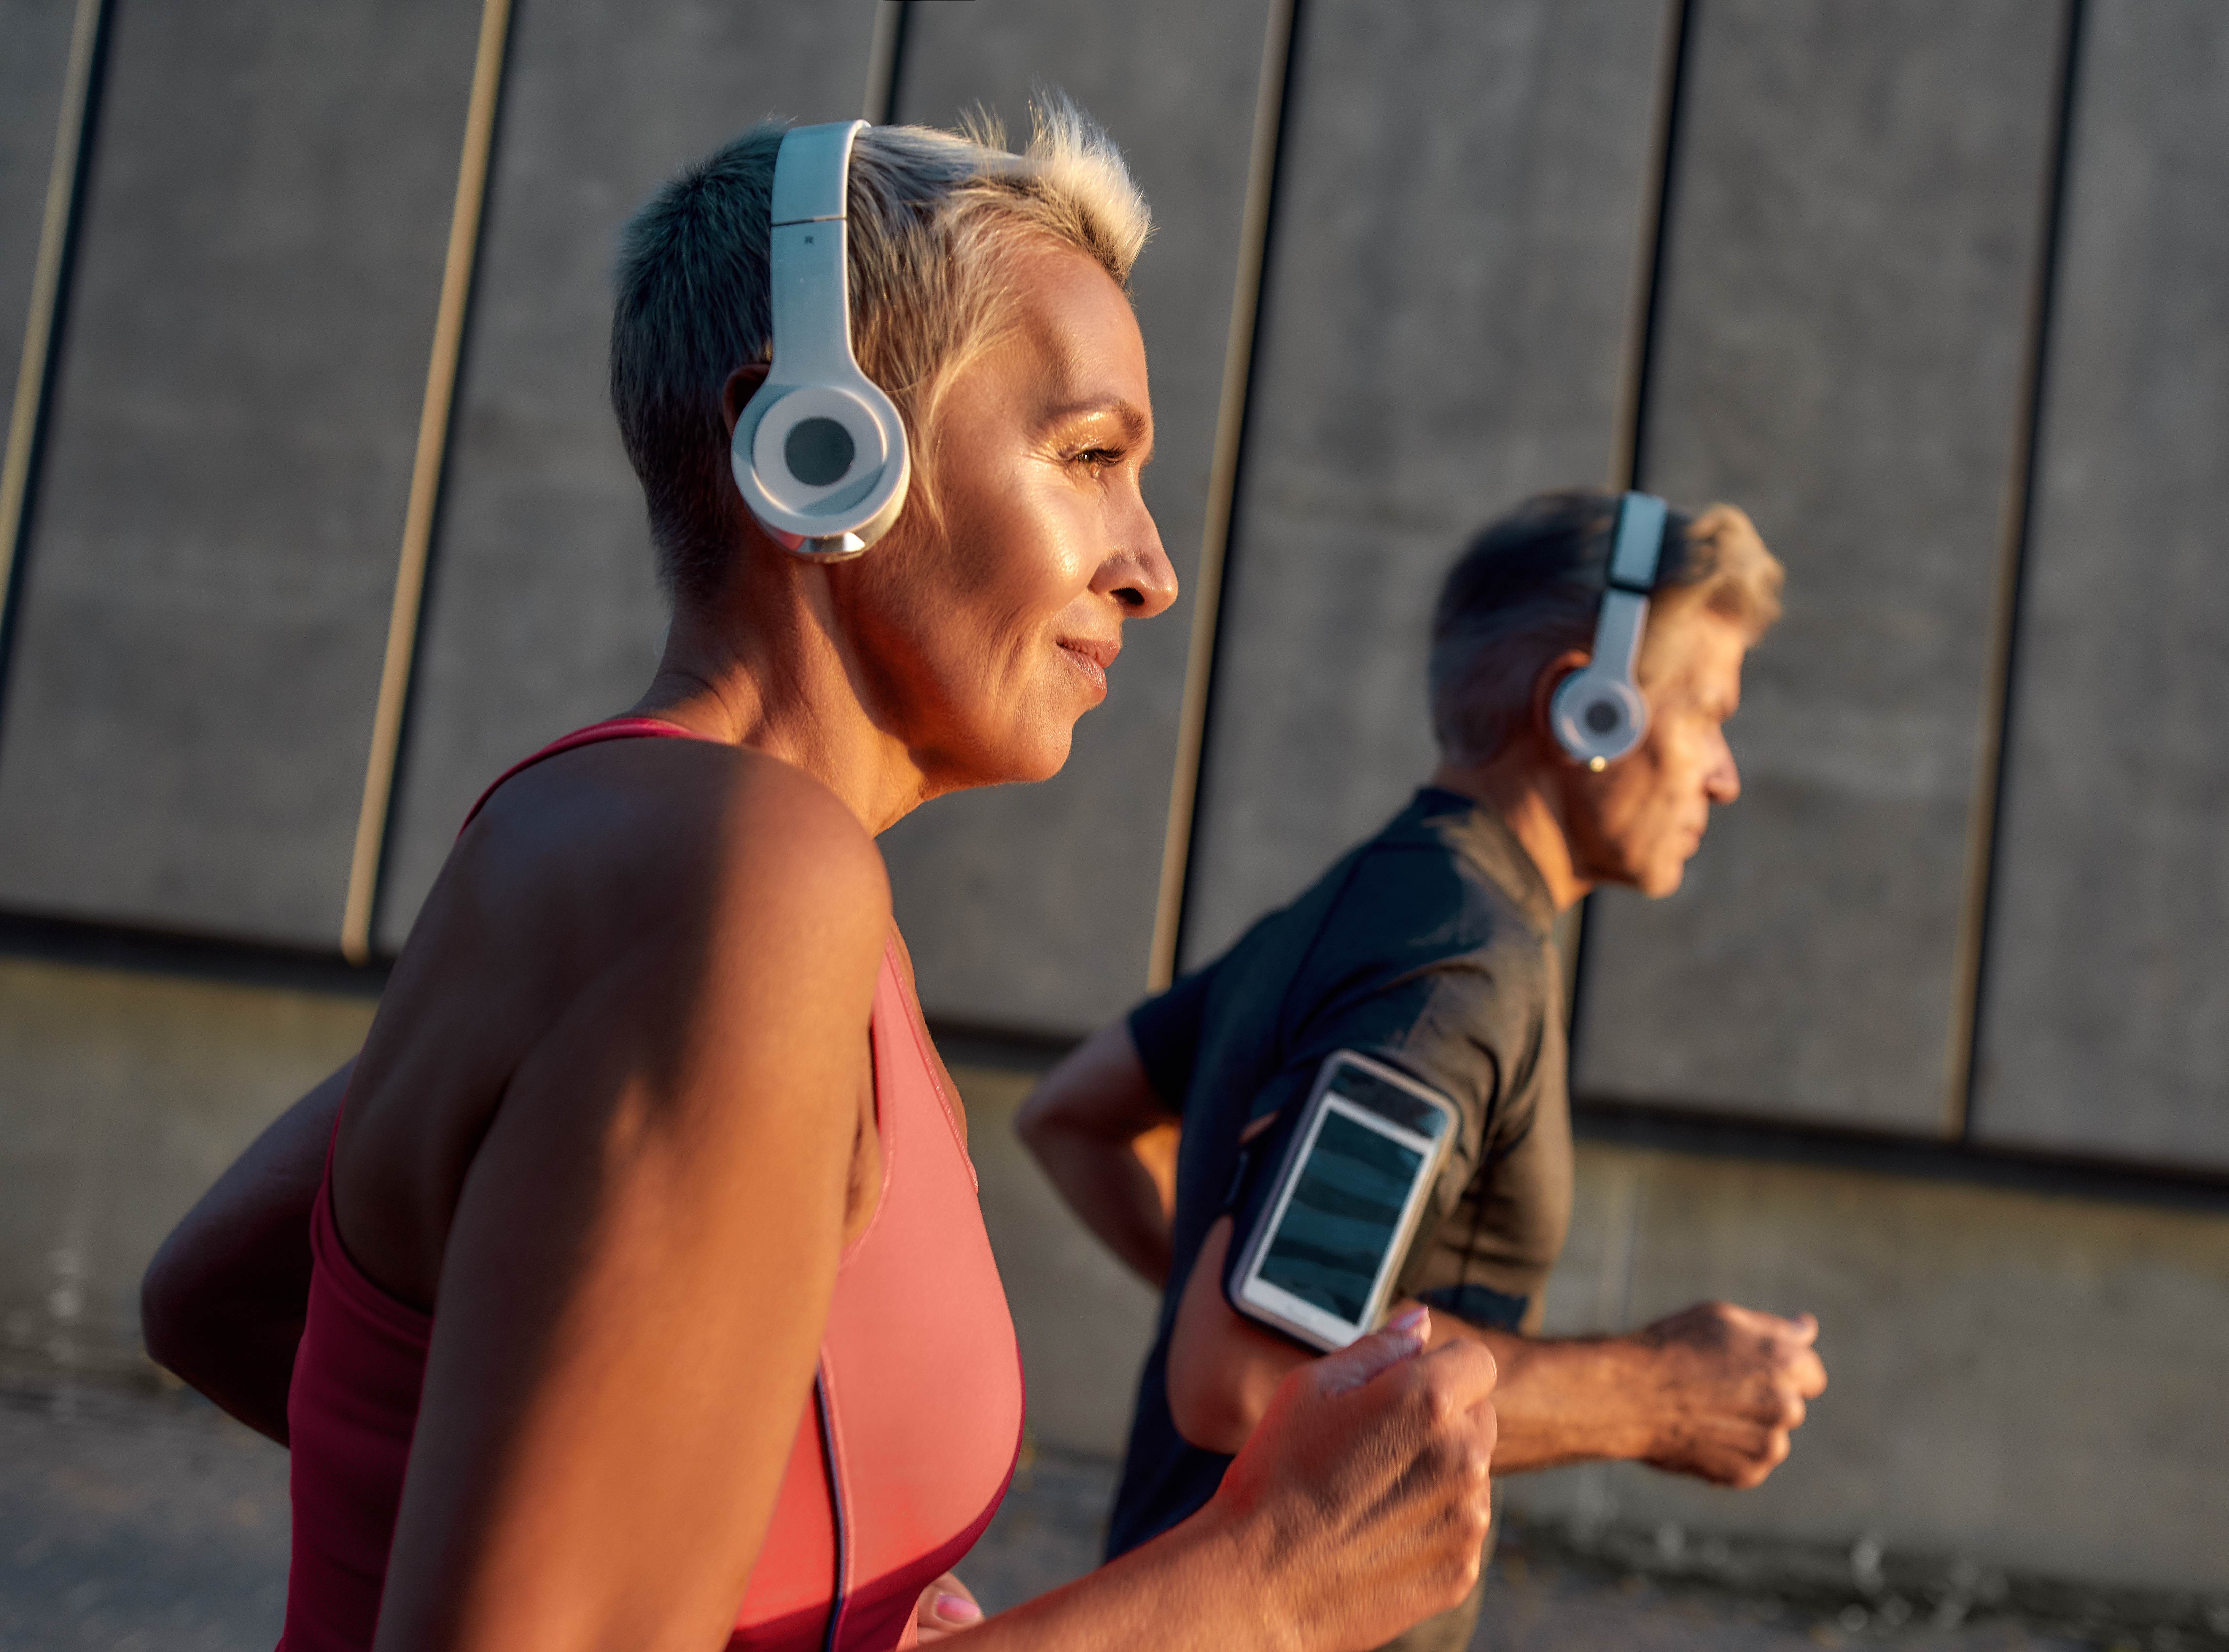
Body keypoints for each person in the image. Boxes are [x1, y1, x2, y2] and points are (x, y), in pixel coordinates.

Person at [139, 108, 1497, 1652]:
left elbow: (222, 1293)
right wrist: (1260, 1582)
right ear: (814, 442)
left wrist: (794, 1598)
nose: (1149, 565)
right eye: (1089, 456)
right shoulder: (730, 885)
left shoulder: (669, 855)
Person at [1017, 488, 1827, 1652]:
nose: (1724, 774)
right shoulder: (1456, 965)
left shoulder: (1367, 904)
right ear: (1585, 706)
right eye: (1705, 715)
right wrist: (1661, 1395)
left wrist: (1254, 1286)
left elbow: (1075, 1115)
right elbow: (1250, 1376)